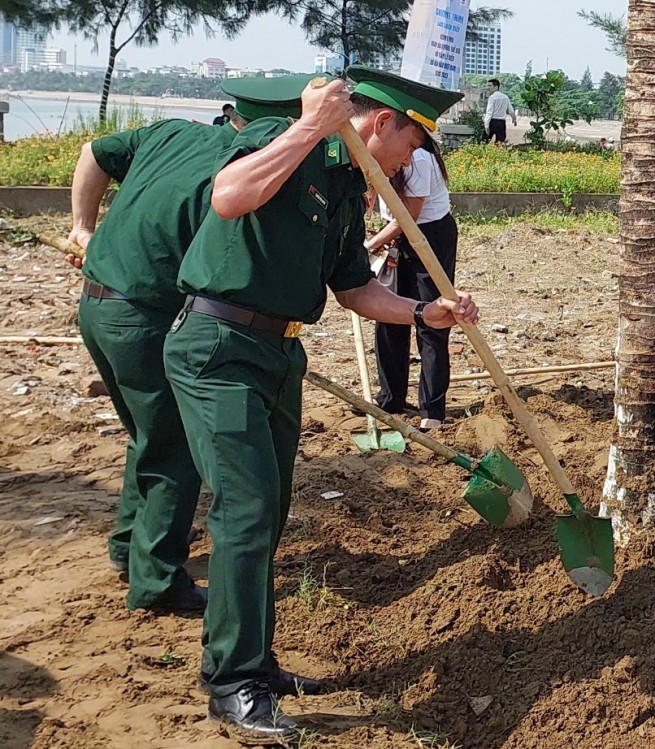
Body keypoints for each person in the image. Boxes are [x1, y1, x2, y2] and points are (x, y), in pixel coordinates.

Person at [163, 65, 477, 744]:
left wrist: (428, 312)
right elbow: (229, 196)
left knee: (268, 512)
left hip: (279, 354)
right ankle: (233, 683)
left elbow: (357, 291)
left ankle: (255, 661)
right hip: (220, 347)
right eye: (413, 146)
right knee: (245, 510)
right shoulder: (289, 139)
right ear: (380, 124)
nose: (412, 162)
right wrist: (310, 124)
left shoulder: (346, 191)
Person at [64, 77, 311, 614]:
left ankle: (130, 546)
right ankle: (156, 580)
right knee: (173, 445)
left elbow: (93, 152)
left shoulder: (172, 133)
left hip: (96, 305)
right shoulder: (245, 169)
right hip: (146, 316)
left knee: (148, 432)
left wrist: (83, 229)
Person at [365, 138, 456, 431]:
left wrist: (370, 246)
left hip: (429, 235)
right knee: (390, 314)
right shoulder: (378, 155)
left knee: (432, 321)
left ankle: (432, 410)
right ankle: (390, 397)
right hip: (396, 235)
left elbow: (408, 218)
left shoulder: (417, 159)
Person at [484, 78, 516, 144]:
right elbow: (511, 110)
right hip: (501, 122)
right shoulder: (505, 97)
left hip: (492, 122)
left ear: (496, 86)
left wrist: (486, 124)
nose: (488, 88)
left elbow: (489, 112)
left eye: (490, 86)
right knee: (500, 143)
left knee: (484, 142)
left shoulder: (492, 97)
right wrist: (514, 119)